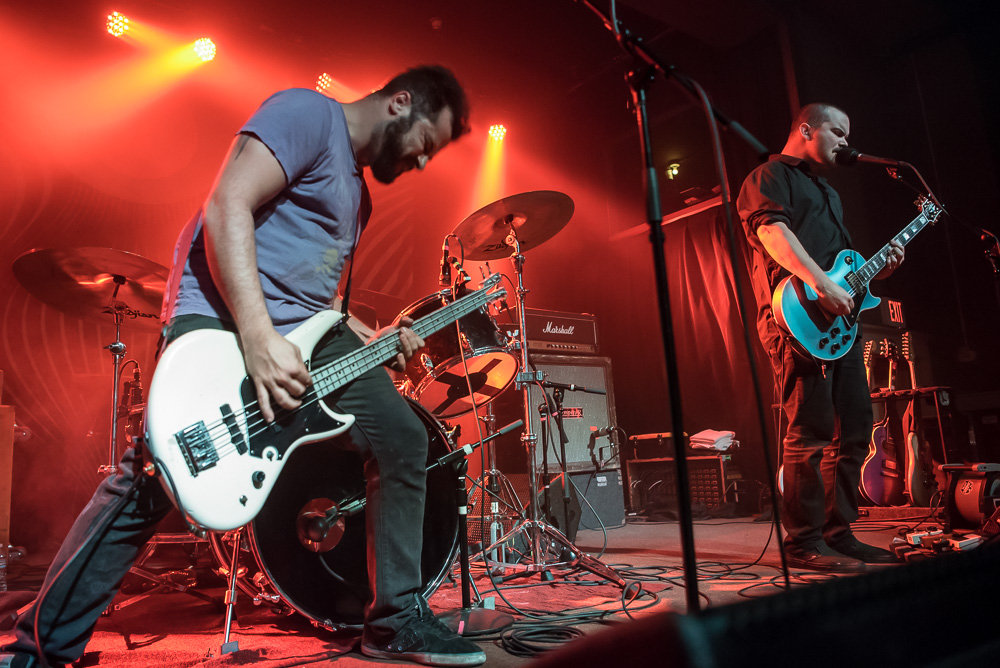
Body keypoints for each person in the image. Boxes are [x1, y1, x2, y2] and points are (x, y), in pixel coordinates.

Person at [1, 65, 487, 667]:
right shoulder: (308, 114)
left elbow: (320, 307)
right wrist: (257, 339)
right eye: (425, 145)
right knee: (159, 476)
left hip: (299, 337)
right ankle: (39, 649)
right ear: (400, 103)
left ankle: (396, 625)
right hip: (226, 320)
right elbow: (227, 203)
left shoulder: (357, 197)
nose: (419, 164)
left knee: (403, 436)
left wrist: (379, 337)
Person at [738, 103, 904, 572]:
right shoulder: (769, 175)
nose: (846, 142)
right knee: (808, 433)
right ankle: (803, 543)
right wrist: (819, 283)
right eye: (838, 131)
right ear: (806, 129)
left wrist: (877, 271)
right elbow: (771, 232)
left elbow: (842, 268)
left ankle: (838, 532)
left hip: (840, 328)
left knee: (853, 430)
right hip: (794, 320)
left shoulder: (829, 192)